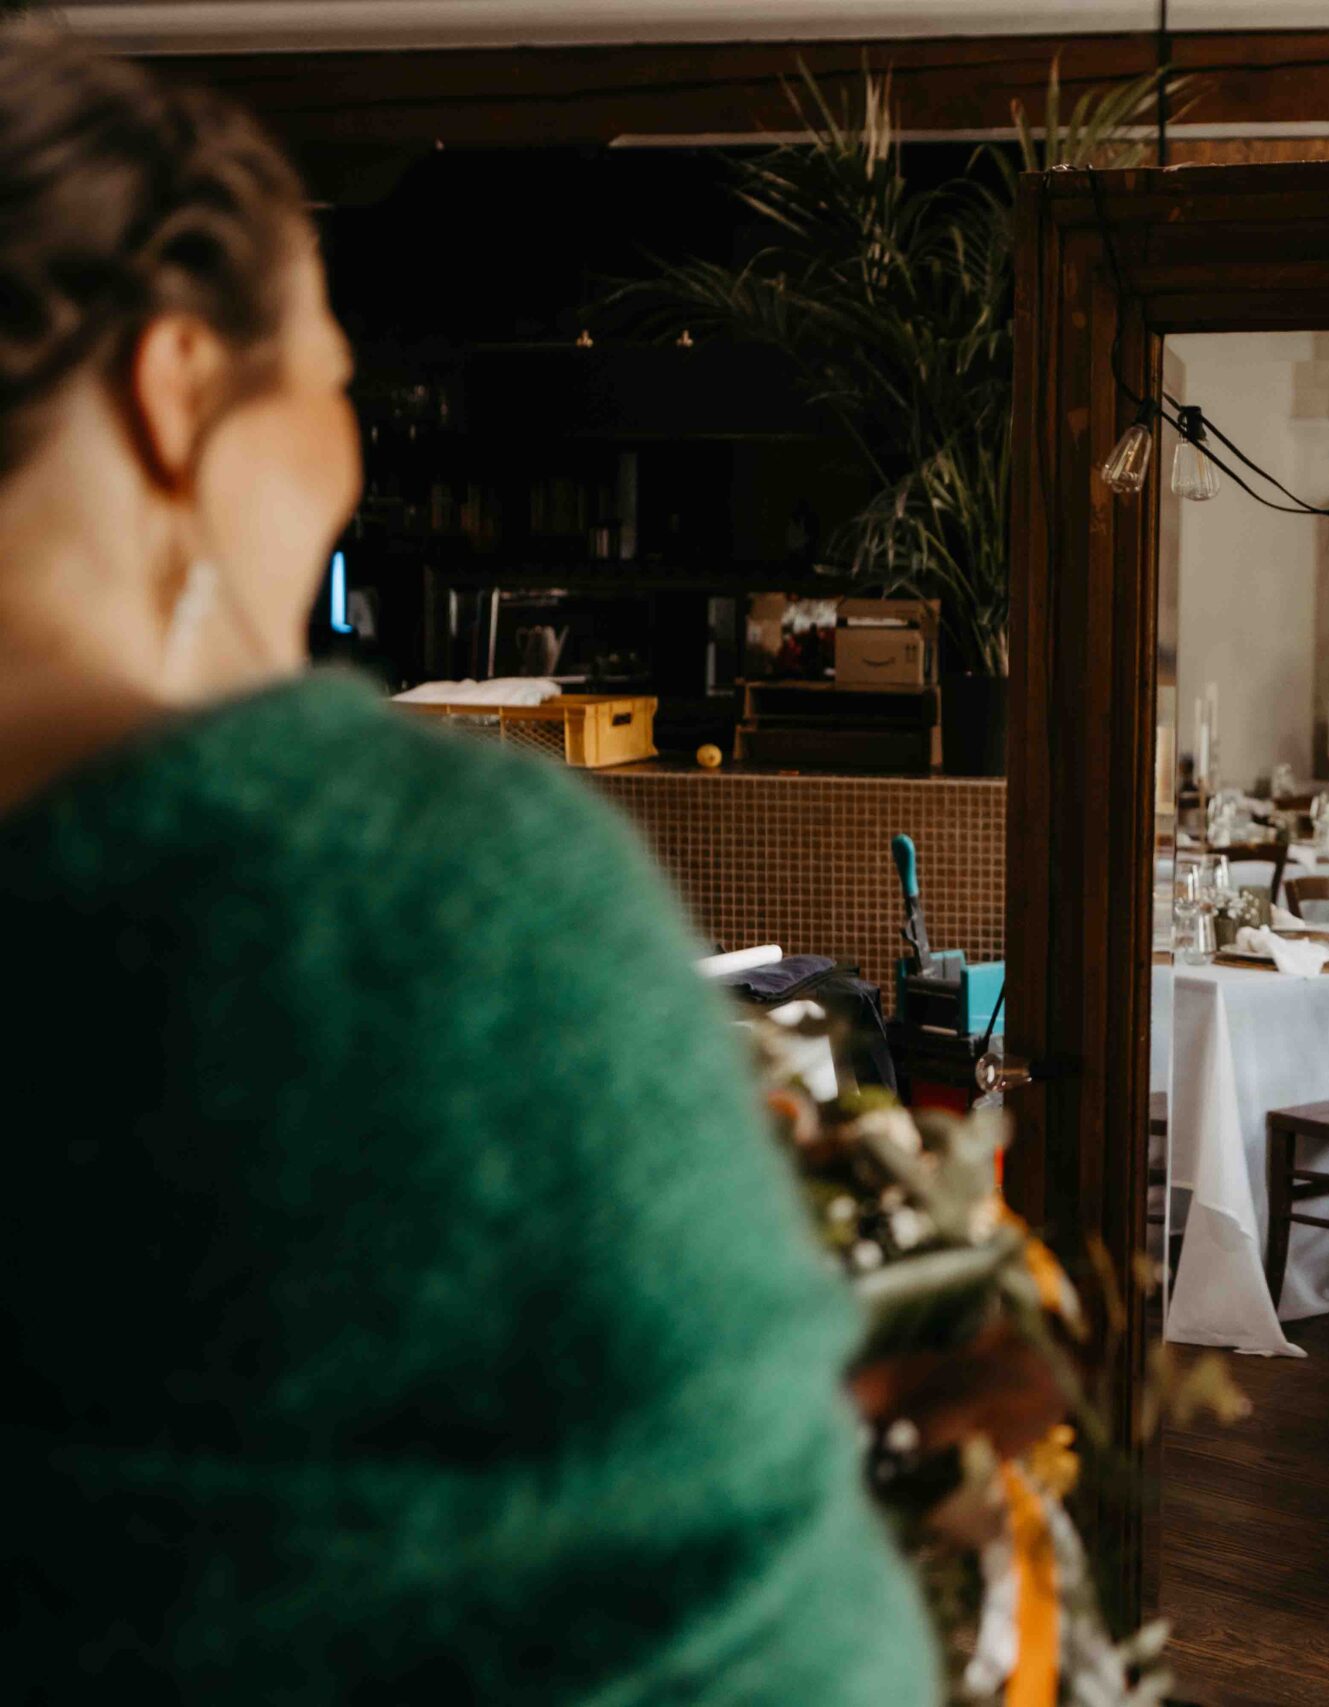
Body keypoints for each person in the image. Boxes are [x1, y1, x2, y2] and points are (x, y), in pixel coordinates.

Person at [0, 30, 935, 1700]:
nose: (351, 453)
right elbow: (787, 1654)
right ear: (177, 387)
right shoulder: (429, 897)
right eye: (330, 379)